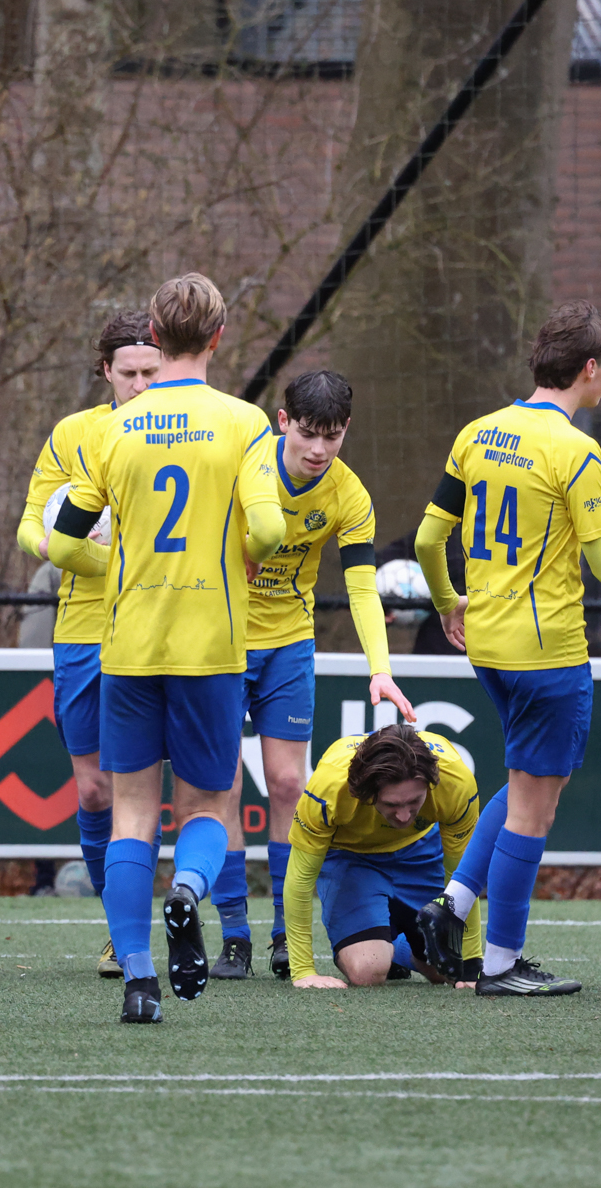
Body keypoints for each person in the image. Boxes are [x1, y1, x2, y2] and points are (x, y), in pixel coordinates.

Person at [410, 300, 601, 997]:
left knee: (521, 785)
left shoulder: (478, 432)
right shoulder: (575, 448)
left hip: (486, 643)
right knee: (533, 810)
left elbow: (430, 540)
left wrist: (446, 601)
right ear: (588, 369)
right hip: (546, 653)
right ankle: (498, 963)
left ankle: (450, 907)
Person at [48, 272, 283, 1023]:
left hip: (127, 643)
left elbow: (63, 537)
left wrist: (121, 561)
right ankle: (188, 888)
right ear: (217, 337)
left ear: (155, 332)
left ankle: (139, 977)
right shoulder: (244, 422)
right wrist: (244, 553)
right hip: (212, 642)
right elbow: (273, 531)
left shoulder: (114, 427)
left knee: (130, 814)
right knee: (210, 802)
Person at [210, 370, 415, 982]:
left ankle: (281, 928)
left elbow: (360, 587)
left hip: (289, 646)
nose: (318, 450)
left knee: (285, 784)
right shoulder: (244, 466)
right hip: (219, 642)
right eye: (306, 434)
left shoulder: (349, 496)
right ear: (282, 422)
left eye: (331, 436)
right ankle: (233, 936)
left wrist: (380, 667)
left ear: (345, 430)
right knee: (220, 786)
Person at [16, 310, 161, 973]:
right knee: (94, 790)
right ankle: (118, 922)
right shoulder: (74, 433)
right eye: (126, 372)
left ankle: (144, 932)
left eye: (149, 371)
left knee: (154, 787)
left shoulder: (180, 431)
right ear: (105, 370)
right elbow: (31, 529)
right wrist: (76, 551)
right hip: (81, 632)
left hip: (160, 627)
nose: (137, 383)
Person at [283, 725, 483, 989]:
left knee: (448, 971)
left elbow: (464, 878)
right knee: (369, 971)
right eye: (391, 804)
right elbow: (300, 879)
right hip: (351, 858)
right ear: (365, 791)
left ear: (430, 784)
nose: (403, 815)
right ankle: (384, 945)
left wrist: (470, 966)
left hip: (420, 851)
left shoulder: (455, 780)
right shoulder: (329, 787)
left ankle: (399, 947)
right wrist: (303, 971)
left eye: (414, 801)